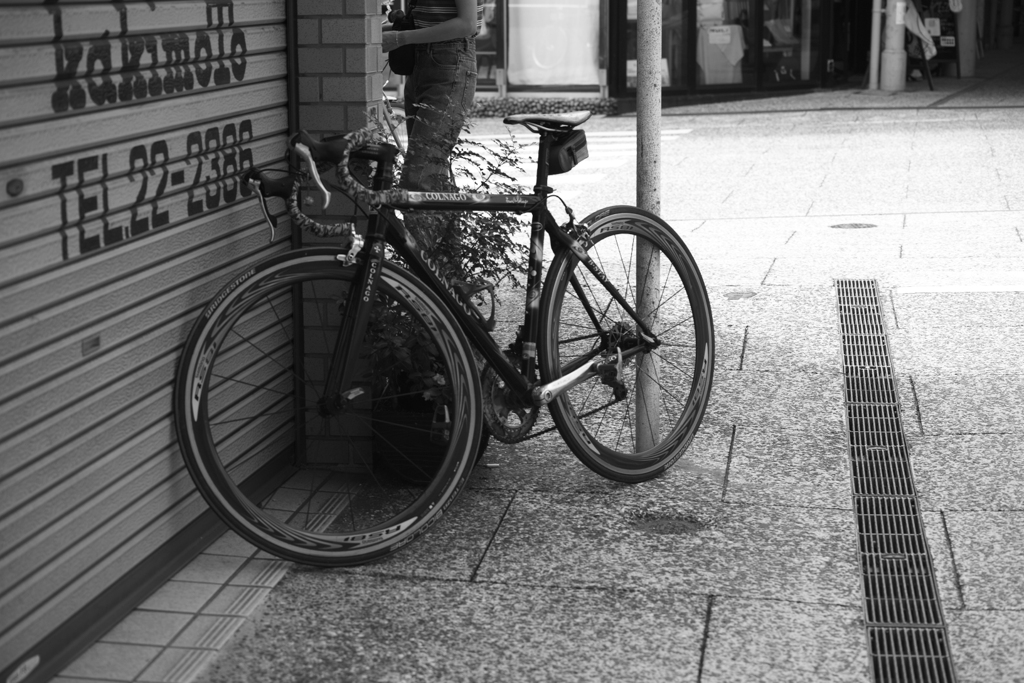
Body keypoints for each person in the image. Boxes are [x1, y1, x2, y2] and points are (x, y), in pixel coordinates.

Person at [381, 0, 482, 255]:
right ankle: (449, 276)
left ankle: (421, 281)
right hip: (421, 64)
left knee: (419, 178)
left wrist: (401, 37)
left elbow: (467, 23)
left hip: (450, 62)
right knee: (435, 177)